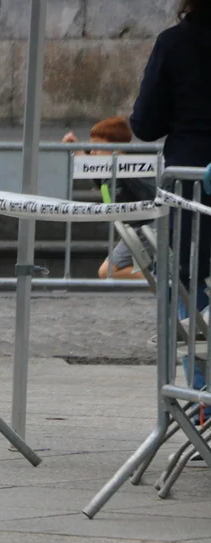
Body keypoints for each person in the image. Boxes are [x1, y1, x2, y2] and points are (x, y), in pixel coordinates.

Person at [130, 0, 211, 402]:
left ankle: (203, 399)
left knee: (189, 285)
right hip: (192, 181)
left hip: (191, 181)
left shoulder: (176, 43)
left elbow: (145, 123)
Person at [62, 116, 157, 280]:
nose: (92, 152)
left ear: (116, 150)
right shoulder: (106, 171)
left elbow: (151, 193)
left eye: (97, 147)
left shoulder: (131, 170)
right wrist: (75, 149)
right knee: (107, 271)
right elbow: (91, 170)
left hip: (144, 228)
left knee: (107, 271)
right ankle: (162, 283)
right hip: (131, 229)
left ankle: (163, 282)